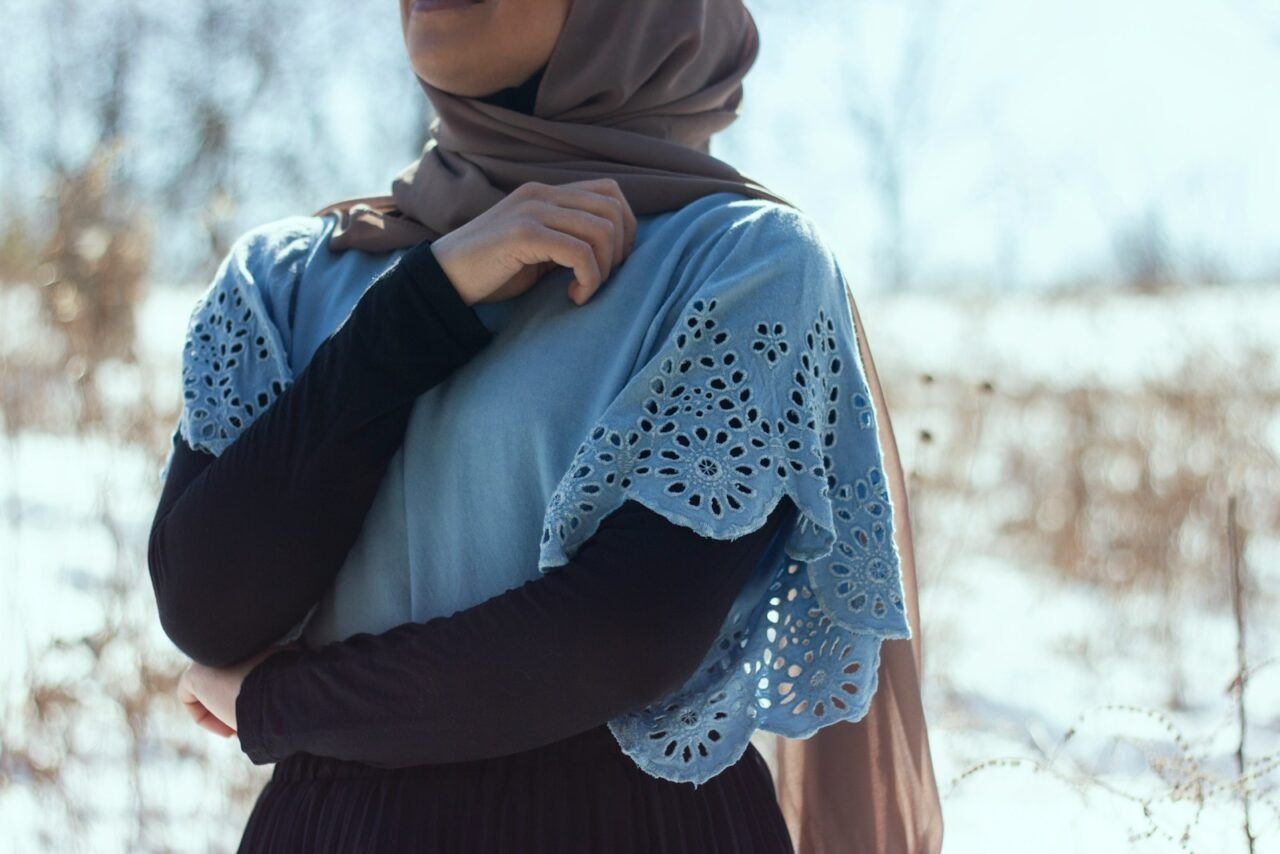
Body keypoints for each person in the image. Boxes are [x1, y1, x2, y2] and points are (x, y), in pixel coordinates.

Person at [146, 0, 944, 851]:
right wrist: (424, 301)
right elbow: (208, 610)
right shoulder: (284, 280)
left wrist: (280, 704)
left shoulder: (744, 264)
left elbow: (622, 636)